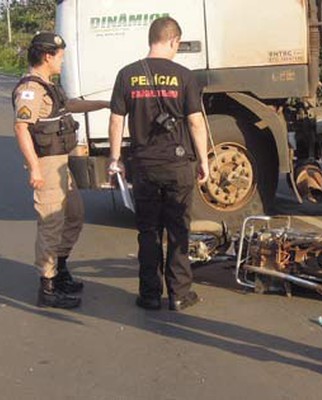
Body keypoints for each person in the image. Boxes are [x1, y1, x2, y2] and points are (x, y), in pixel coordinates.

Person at [108, 17, 209, 312]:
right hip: (178, 166)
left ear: (151, 39)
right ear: (174, 40)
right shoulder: (185, 76)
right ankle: (179, 295)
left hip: (143, 166)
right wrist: (204, 160)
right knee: (179, 230)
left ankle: (150, 295)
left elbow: (116, 121)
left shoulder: (127, 75)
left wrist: (115, 159)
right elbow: (195, 121)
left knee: (148, 231)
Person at [12, 32, 110, 309]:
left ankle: (61, 268)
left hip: (62, 165)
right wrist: (34, 169)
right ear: (47, 56)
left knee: (75, 216)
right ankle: (48, 287)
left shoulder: (49, 86)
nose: (62, 62)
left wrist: (103, 104)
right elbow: (21, 128)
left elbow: (72, 105)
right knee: (51, 225)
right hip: (46, 163)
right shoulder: (31, 89)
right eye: (60, 57)